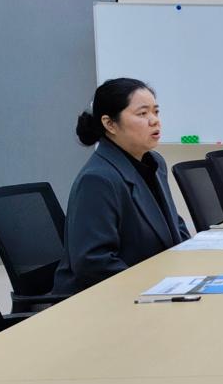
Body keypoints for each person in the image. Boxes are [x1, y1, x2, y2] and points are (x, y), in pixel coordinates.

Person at [53, 78, 190, 295]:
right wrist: (155, 287)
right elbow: (93, 262)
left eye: (156, 111)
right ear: (110, 124)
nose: (154, 120)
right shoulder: (98, 179)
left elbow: (175, 226)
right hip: (107, 299)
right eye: (142, 113)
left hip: (156, 282)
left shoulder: (155, 164)